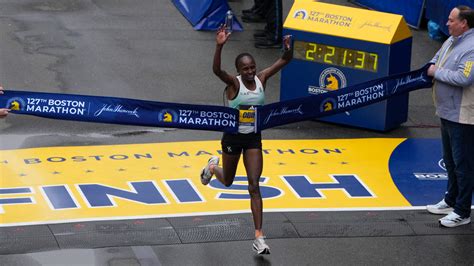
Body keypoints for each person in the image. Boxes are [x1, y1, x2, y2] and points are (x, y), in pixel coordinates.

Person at [200, 26, 292, 254]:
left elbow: (284, 60)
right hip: (232, 138)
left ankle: (259, 237)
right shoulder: (234, 84)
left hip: (253, 139)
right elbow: (216, 70)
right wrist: (219, 46)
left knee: (254, 185)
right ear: (239, 71)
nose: (251, 71)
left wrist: (288, 48)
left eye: (252, 67)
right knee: (229, 180)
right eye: (245, 69)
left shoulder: (262, 78)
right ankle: (212, 167)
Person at [426, 6, 474, 228]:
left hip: (462, 116)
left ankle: (462, 211)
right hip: (446, 111)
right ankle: (450, 200)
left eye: (451, 20)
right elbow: (436, 59)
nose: (446, 23)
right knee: (451, 161)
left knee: (463, 165)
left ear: (464, 23)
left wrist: (435, 72)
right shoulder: (451, 40)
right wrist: (432, 67)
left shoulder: (472, 47)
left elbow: (464, 78)